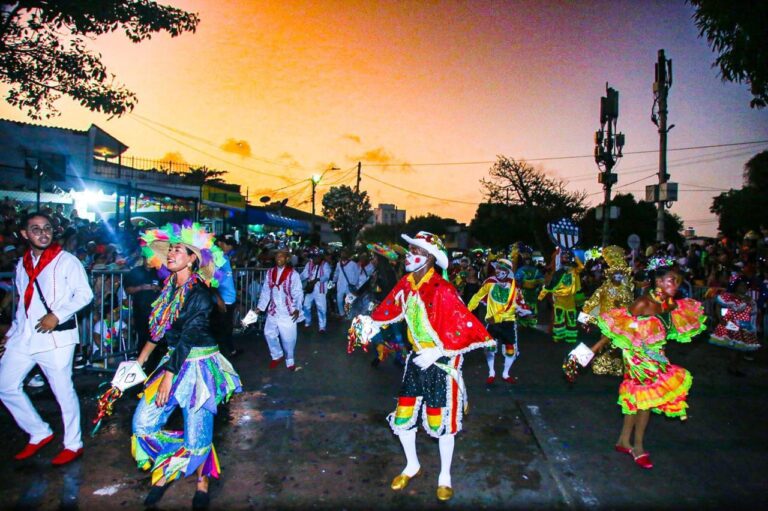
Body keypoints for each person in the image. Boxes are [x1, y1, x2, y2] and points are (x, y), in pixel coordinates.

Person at [349, 231, 495, 500]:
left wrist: (438, 351)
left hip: (440, 363)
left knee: (442, 423)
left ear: (429, 258)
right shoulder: (406, 283)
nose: (408, 255)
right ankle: (412, 465)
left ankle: (445, 476)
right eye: (409, 249)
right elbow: (390, 308)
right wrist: (371, 323)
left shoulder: (442, 288)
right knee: (403, 418)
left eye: (415, 250)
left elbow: (465, 326)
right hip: (416, 362)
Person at [132, 221, 242, 509]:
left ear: (193, 258)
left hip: (198, 368)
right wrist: (137, 363)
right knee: (143, 424)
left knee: (198, 432)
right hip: (173, 361)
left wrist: (169, 376)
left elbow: (189, 338)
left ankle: (201, 482)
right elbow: (158, 331)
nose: (170, 253)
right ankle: (169, 466)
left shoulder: (200, 294)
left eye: (178, 250)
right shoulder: (167, 288)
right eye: (169, 249)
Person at [588, 257, 705, 469]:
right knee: (646, 399)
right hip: (637, 356)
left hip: (656, 356)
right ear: (658, 282)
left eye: (678, 281)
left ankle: (624, 440)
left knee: (637, 398)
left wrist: (661, 355)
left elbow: (662, 334)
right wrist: (592, 351)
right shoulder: (643, 303)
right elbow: (617, 329)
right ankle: (638, 446)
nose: (676, 285)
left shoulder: (669, 304)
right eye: (672, 280)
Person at [0, 212, 93, 465]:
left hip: (56, 339)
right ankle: (39, 432)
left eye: (47, 228)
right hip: (25, 336)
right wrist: (11, 333)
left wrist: (57, 315)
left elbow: (85, 295)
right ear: (24, 234)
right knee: (5, 385)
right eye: (36, 229)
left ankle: (73, 444)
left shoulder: (66, 261)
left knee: (63, 390)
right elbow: (22, 303)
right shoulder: (22, 264)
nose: (43, 233)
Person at [468, 258, 530, 384]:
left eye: (502, 269)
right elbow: (477, 296)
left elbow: (515, 305)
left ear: (507, 271)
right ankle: (491, 372)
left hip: (508, 322)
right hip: (492, 323)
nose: (499, 271)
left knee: (510, 349)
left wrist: (525, 312)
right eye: (497, 269)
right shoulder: (489, 282)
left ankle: (506, 374)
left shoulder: (514, 286)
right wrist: (467, 311)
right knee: (489, 348)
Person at [581, 246, 634, 376]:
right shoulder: (604, 288)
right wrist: (585, 319)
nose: (618, 276)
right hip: (607, 321)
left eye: (620, 274)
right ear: (610, 274)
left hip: (623, 321)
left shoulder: (626, 288)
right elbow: (593, 301)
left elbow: (631, 303)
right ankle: (599, 363)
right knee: (605, 343)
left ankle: (617, 364)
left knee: (620, 345)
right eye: (615, 273)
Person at [255, 248, 304, 370]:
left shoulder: (293, 274)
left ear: (287, 259)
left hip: (288, 312)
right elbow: (266, 291)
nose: (279, 259)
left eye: (281, 256)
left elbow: (298, 293)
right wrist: (259, 308)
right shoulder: (270, 272)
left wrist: (297, 308)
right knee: (268, 333)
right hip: (273, 310)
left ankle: (290, 360)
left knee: (289, 339)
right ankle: (277, 355)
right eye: (277, 257)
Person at [709, 274, 761, 376]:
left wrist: (752, 325)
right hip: (732, 324)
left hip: (745, 325)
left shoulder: (749, 299)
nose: (744, 288)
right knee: (734, 347)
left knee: (741, 348)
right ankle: (732, 368)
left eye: (745, 286)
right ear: (736, 287)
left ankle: (735, 367)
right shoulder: (730, 296)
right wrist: (720, 318)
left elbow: (753, 313)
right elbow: (718, 305)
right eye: (741, 286)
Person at [539, 248, 584, 343]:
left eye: (569, 264)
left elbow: (581, 267)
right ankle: (559, 336)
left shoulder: (574, 271)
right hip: (559, 300)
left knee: (571, 320)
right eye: (565, 264)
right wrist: (541, 296)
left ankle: (571, 337)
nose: (567, 267)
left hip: (570, 301)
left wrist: (575, 257)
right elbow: (550, 286)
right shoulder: (558, 273)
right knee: (559, 319)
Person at [210, 236, 239, 356]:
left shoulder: (225, 257)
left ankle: (231, 350)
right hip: (222, 300)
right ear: (220, 243)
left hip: (229, 299)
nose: (229, 248)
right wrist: (219, 299)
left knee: (227, 328)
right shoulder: (215, 258)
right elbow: (211, 281)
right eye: (228, 245)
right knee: (221, 330)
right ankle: (220, 356)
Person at [300, 248, 331, 333]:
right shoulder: (309, 264)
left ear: (320, 257)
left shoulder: (325, 265)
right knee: (306, 306)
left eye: (317, 257)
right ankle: (307, 322)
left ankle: (322, 327)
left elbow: (327, 276)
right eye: (314, 257)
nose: (315, 259)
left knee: (321, 308)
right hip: (310, 289)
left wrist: (317, 279)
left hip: (320, 290)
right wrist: (297, 278)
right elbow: (304, 274)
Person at [513, 245, 544, 328]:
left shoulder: (536, 270)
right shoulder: (521, 270)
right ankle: (523, 321)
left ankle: (531, 321)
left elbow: (541, 280)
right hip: (524, 292)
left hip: (533, 293)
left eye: (528, 255)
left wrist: (537, 284)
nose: (527, 257)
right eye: (525, 255)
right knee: (524, 306)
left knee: (532, 306)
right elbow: (517, 281)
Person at [332, 249, 360, 317]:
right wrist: (333, 281)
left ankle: (349, 315)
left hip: (349, 286)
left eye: (345, 254)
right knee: (339, 300)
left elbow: (357, 274)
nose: (343, 255)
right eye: (342, 254)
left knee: (349, 301)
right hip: (340, 285)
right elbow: (336, 273)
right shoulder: (338, 264)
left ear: (348, 255)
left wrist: (355, 283)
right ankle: (342, 313)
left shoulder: (353, 264)